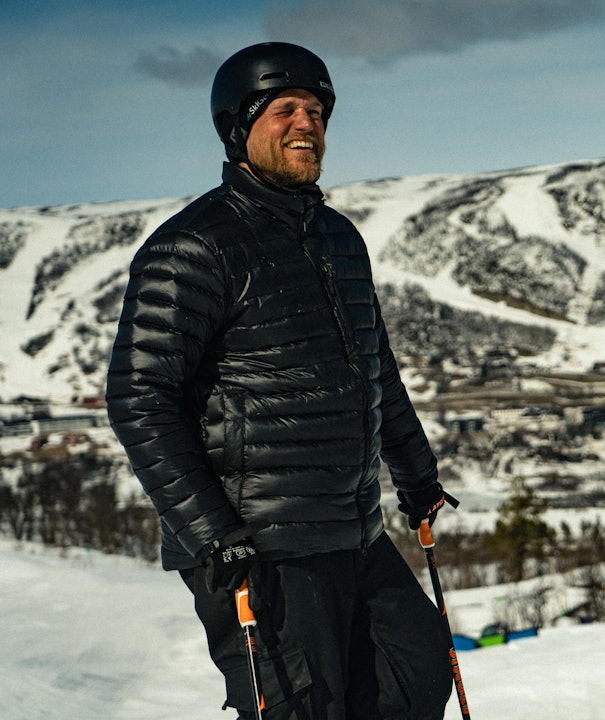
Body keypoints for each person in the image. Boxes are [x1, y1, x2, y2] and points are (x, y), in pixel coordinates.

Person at [106, 42, 455, 720]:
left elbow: (374, 371)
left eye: (318, 110)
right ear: (238, 126)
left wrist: (418, 478)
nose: (307, 123)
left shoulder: (338, 239)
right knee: (301, 708)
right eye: (286, 109)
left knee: (413, 674)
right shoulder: (194, 246)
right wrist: (214, 533)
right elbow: (139, 398)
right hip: (257, 544)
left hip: (351, 529)